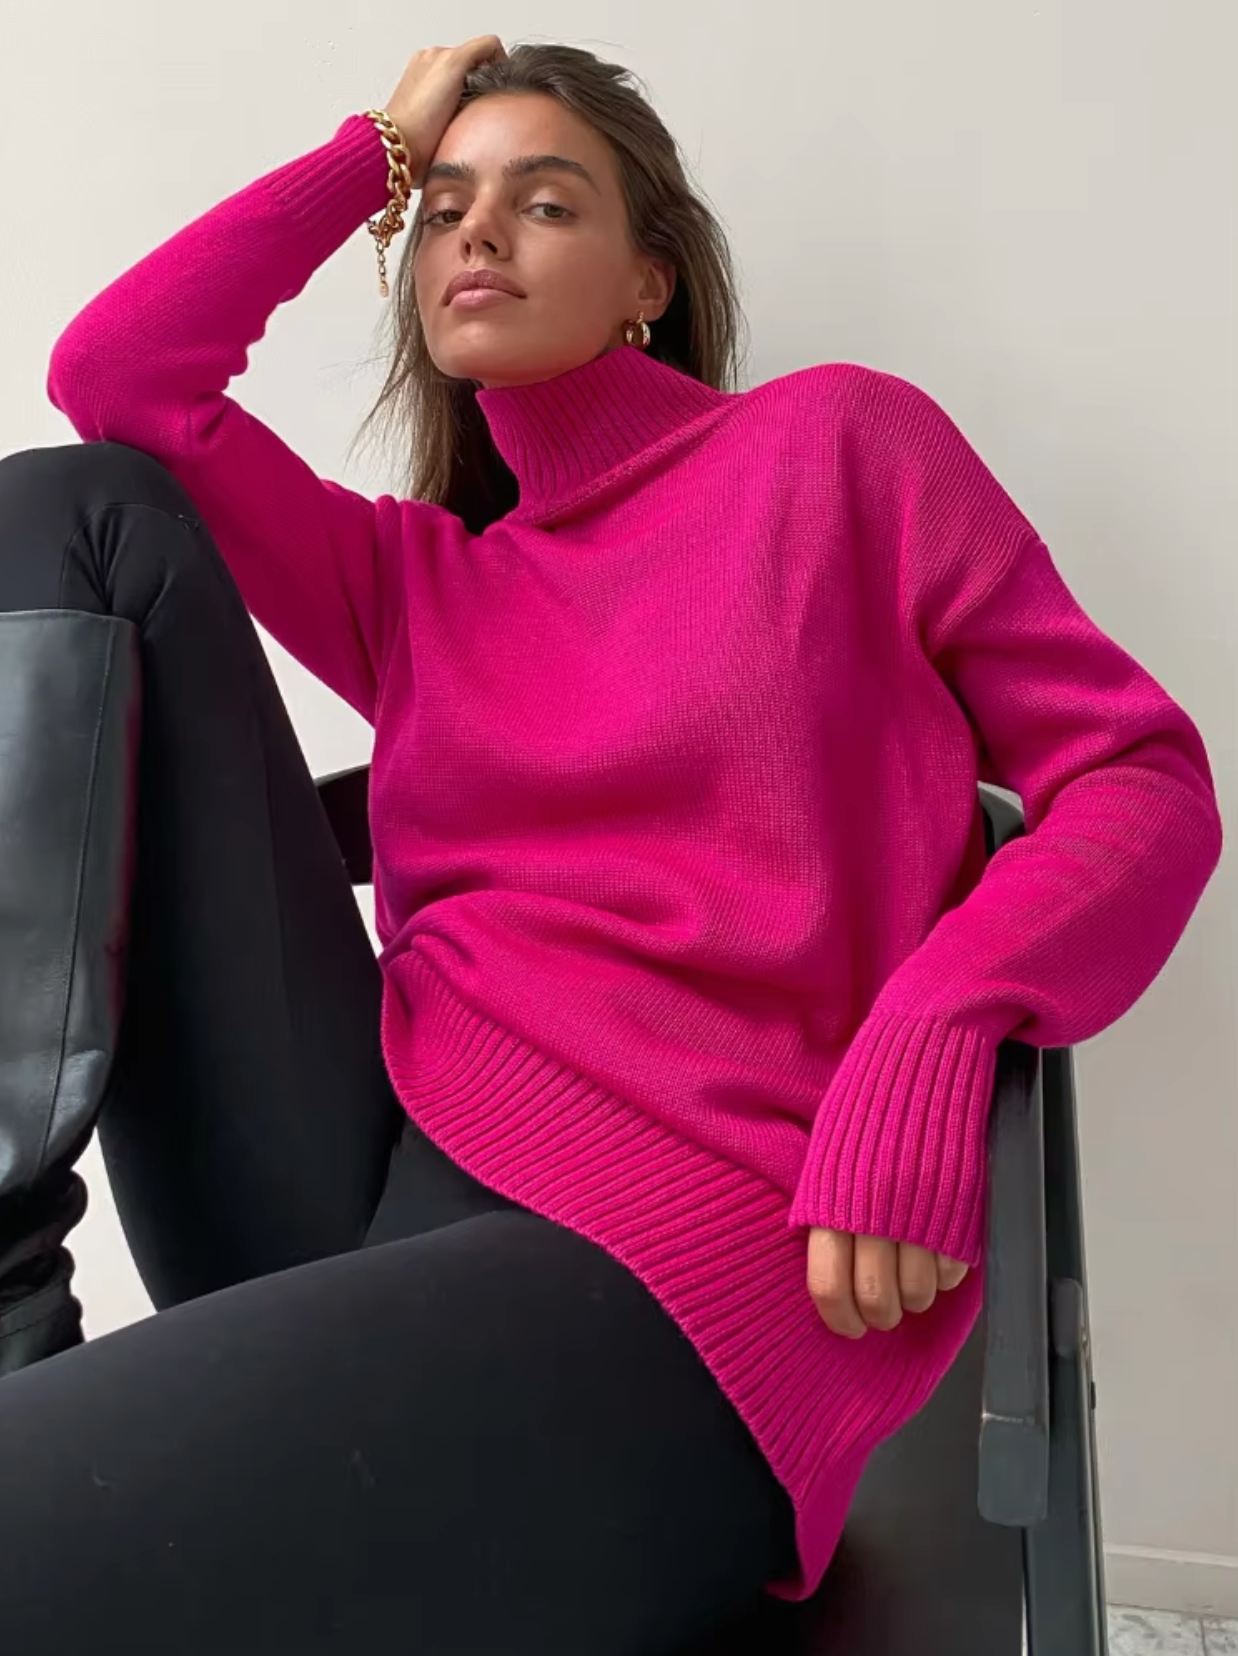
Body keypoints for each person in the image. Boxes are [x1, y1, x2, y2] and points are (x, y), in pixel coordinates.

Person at [0, 35, 1222, 1656]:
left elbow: (1138, 778)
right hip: (354, 1163)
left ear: (649, 277)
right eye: (443, 206)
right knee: (78, 509)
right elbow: (121, 373)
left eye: (544, 201)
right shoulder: (422, 585)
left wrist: (942, 1015)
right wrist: (371, 152)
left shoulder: (835, 451)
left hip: (672, 1261)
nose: (476, 231)